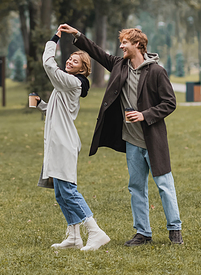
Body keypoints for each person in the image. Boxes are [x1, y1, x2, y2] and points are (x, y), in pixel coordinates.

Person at [58, 24, 183, 246]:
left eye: (125, 42)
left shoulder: (156, 71)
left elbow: (170, 103)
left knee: (164, 185)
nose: (121, 46)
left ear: (138, 44)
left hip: (153, 140)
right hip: (132, 141)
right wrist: (77, 35)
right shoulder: (119, 65)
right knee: (136, 188)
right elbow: (97, 53)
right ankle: (143, 233)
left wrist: (145, 115)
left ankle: (175, 230)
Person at [34, 30, 111, 251]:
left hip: (64, 143)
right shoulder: (66, 85)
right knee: (60, 193)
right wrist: (40, 104)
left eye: (75, 61)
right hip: (58, 142)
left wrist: (54, 39)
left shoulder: (72, 82)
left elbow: (48, 64)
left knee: (68, 191)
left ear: (83, 69)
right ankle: (74, 236)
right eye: (69, 58)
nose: (69, 61)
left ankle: (95, 232)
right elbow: (55, 110)